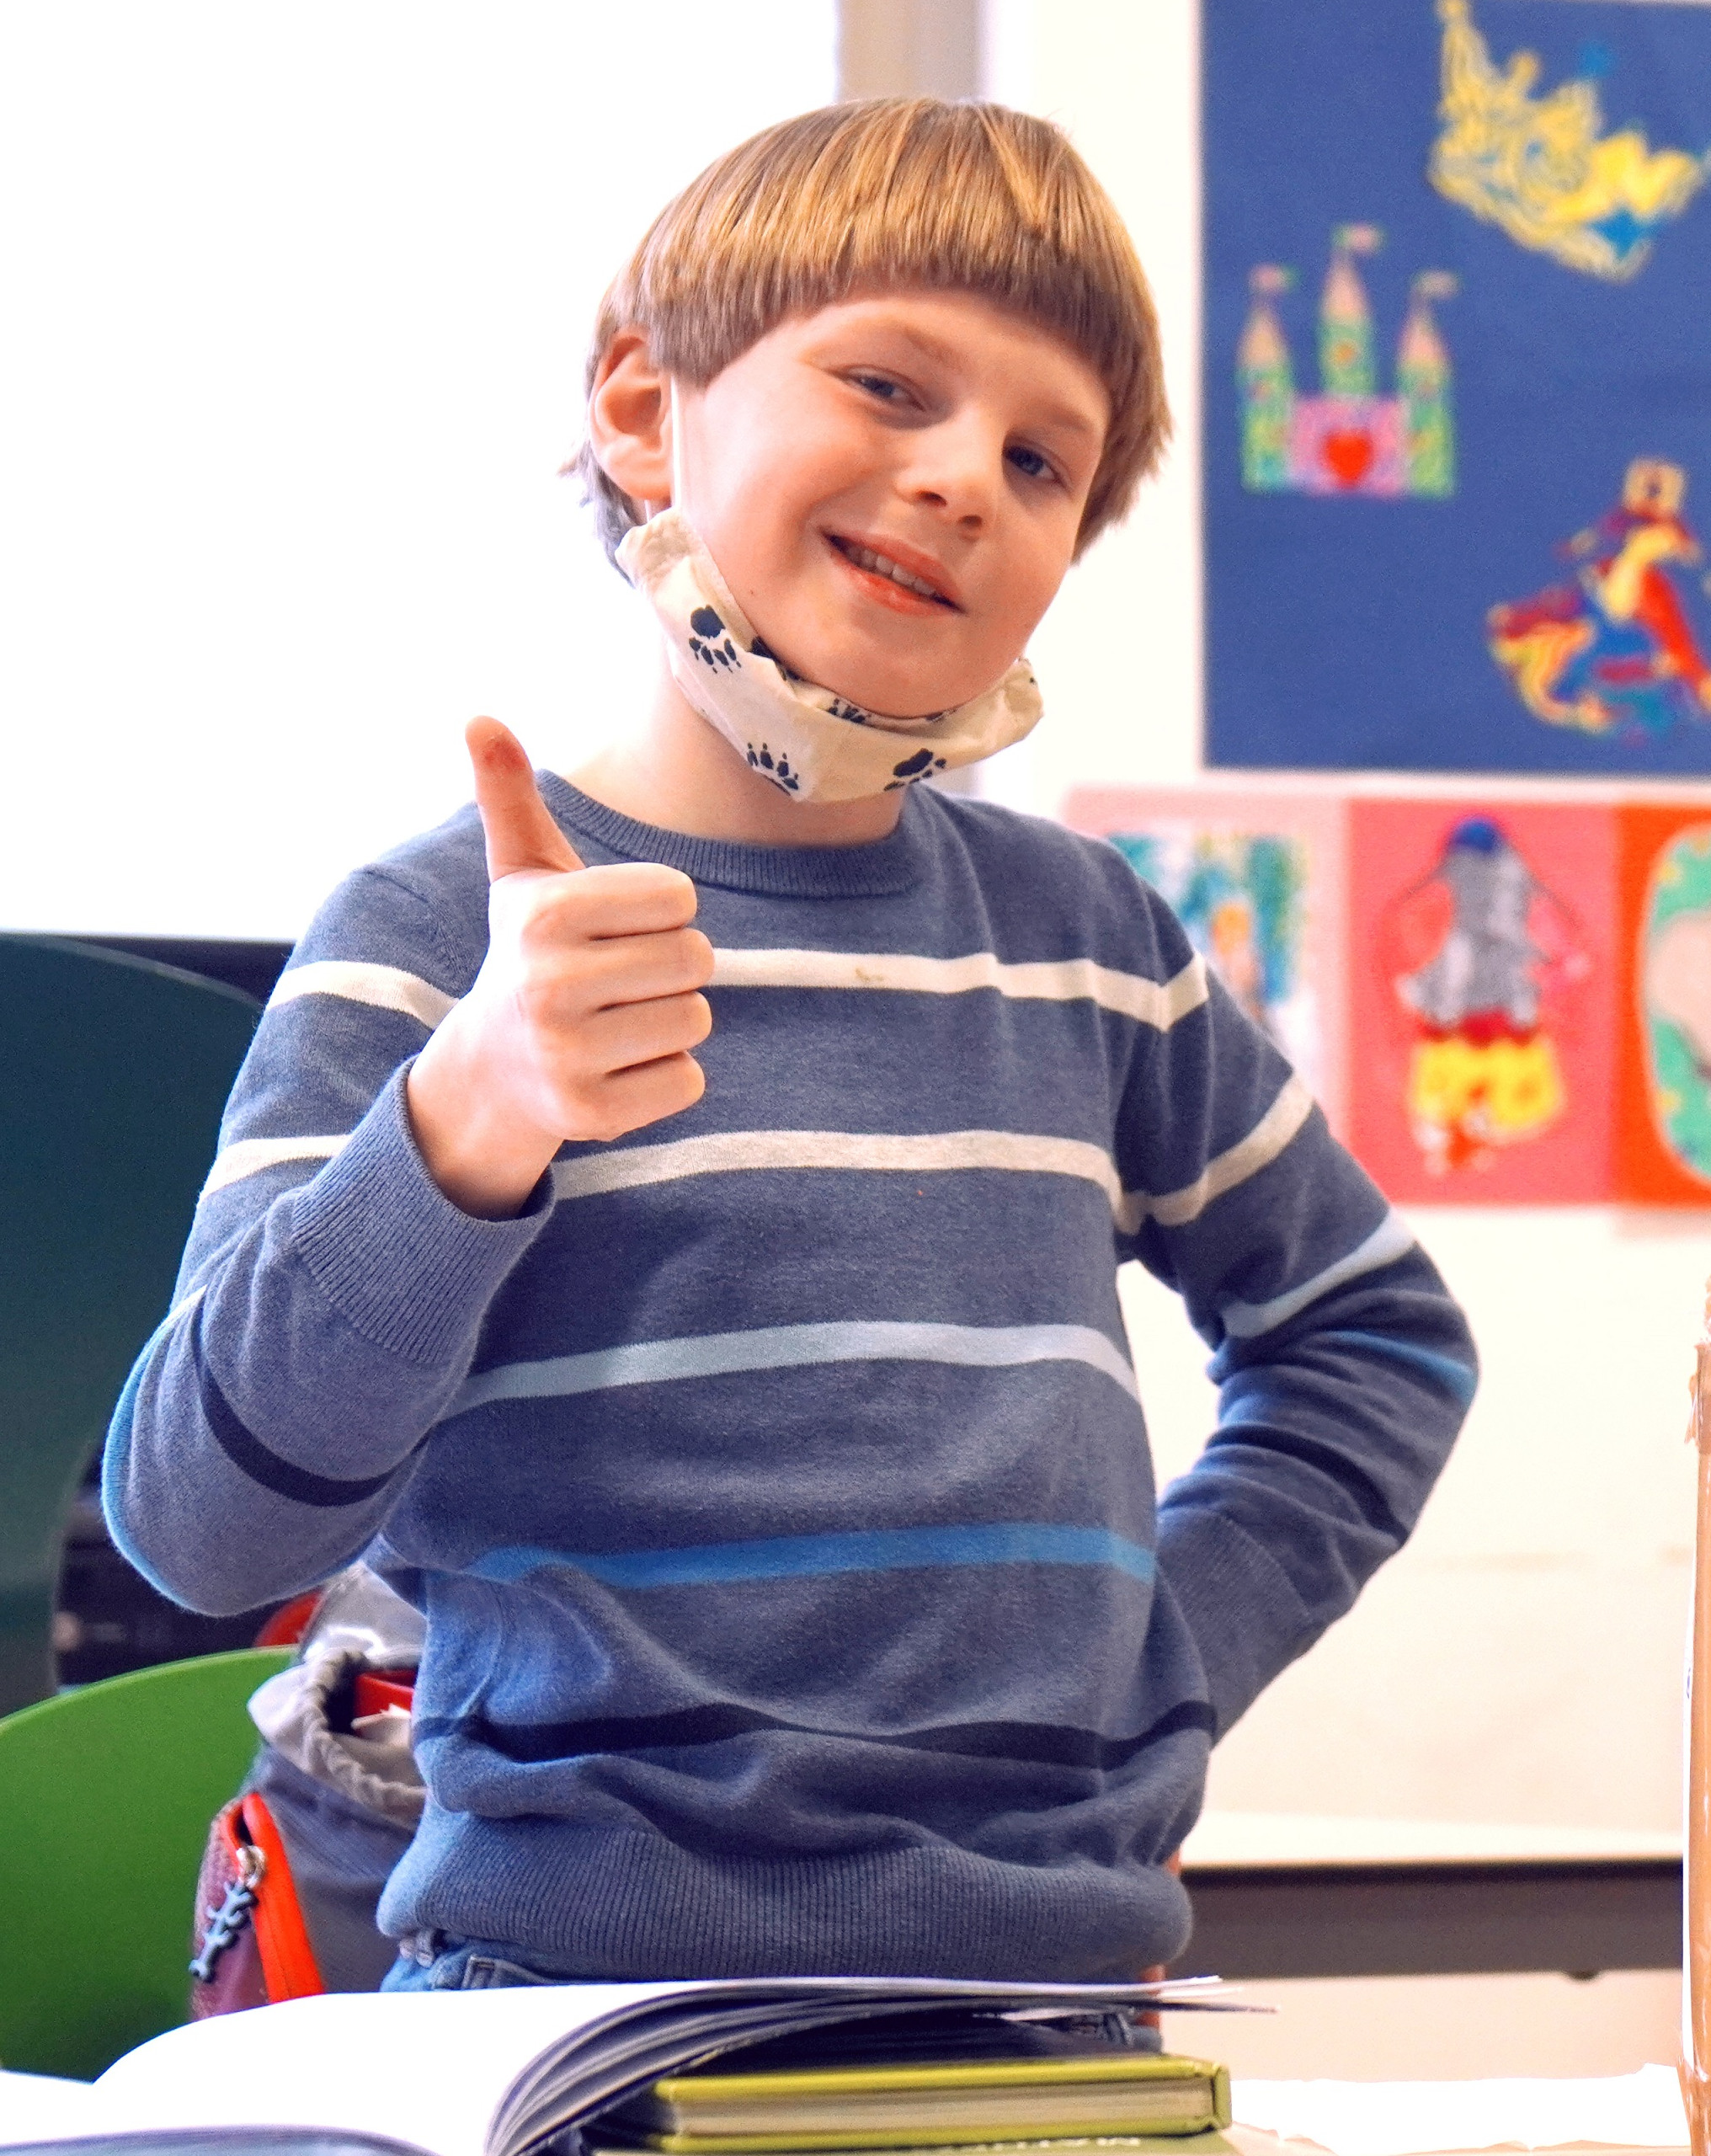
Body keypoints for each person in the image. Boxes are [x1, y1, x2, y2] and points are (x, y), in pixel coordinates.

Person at [105, 99, 1476, 1997]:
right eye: (886, 385)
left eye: (1039, 458)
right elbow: (193, 1518)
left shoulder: (1087, 940)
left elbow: (1372, 1334)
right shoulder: (440, 940)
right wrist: (466, 1120)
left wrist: (1156, 1653)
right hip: (568, 2018)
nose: (960, 479)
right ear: (642, 409)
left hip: (1045, 2013)